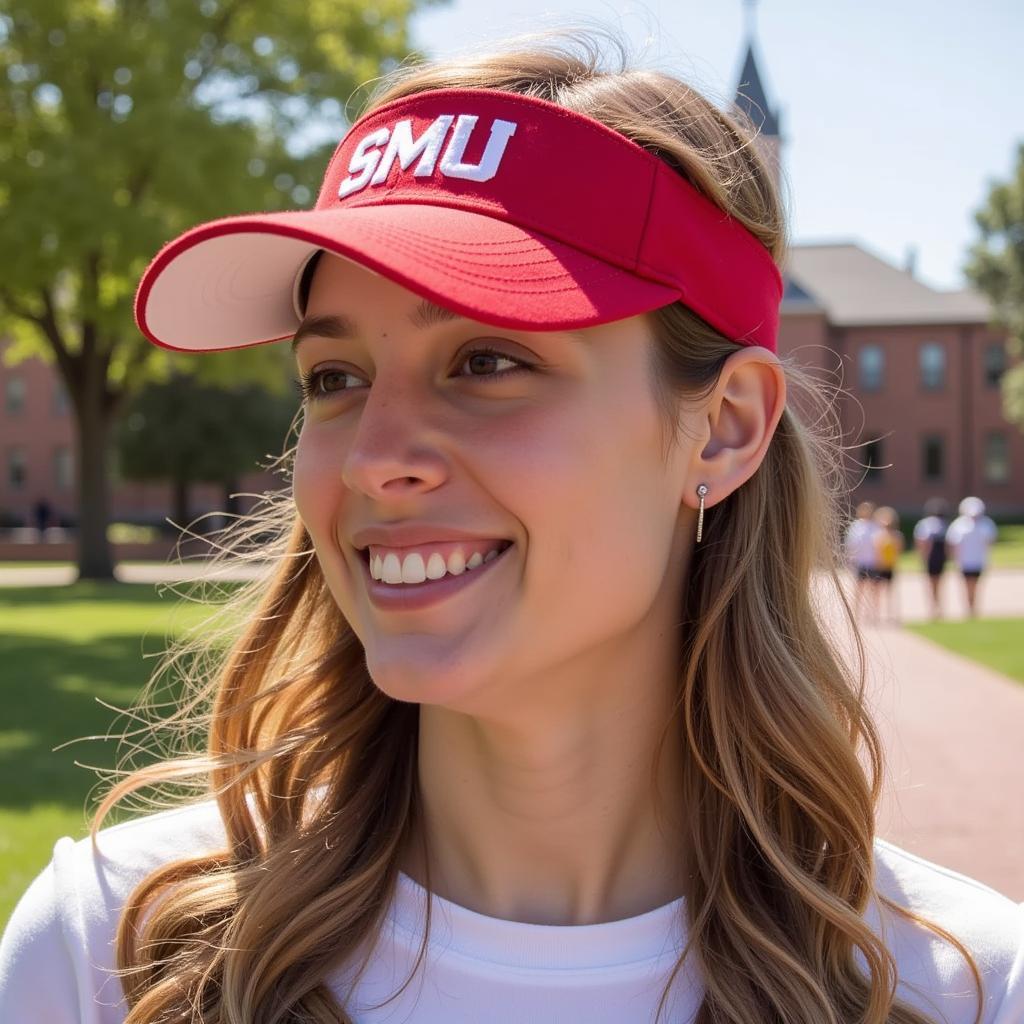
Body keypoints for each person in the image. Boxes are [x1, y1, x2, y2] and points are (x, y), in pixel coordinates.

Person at [2, 33, 1022, 1024]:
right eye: (334, 378)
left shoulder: (960, 988)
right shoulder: (117, 954)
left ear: (723, 428)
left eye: (487, 361)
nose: (371, 456)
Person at [946, 496, 999, 619]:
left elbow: (990, 541)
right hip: (964, 561)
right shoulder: (959, 525)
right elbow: (953, 544)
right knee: (967, 585)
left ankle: (974, 608)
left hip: (979, 560)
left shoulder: (986, 524)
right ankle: (969, 608)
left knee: (976, 585)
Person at [843, 500, 882, 623]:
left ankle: (873, 613)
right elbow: (850, 545)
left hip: (873, 562)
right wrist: (849, 560)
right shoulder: (855, 526)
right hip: (860, 562)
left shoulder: (876, 526)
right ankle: (857, 612)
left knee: (874, 589)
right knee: (859, 588)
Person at [913, 497, 952, 620]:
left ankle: (933, 607)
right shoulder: (945, 524)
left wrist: (922, 556)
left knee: (930, 584)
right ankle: (938, 607)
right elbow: (948, 544)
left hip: (931, 557)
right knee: (939, 583)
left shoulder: (925, 524)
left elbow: (922, 542)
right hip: (941, 557)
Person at [872, 505, 904, 624]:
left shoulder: (896, 536)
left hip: (890, 567)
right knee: (877, 593)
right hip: (880, 567)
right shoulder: (878, 535)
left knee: (890, 592)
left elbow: (898, 551)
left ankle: (891, 614)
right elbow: (876, 552)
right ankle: (875, 614)